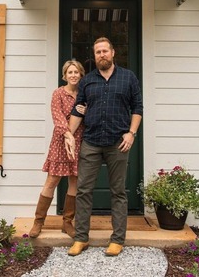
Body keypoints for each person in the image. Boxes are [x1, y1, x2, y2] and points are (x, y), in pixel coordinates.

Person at [64, 37, 143, 257]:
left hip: (118, 143)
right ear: (95, 55)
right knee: (83, 191)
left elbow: (137, 107)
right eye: (98, 52)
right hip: (91, 142)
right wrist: (68, 135)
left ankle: (117, 239)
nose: (102, 55)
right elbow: (79, 110)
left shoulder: (128, 78)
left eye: (105, 51)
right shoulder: (87, 81)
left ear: (113, 52)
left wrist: (132, 133)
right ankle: (81, 238)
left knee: (118, 192)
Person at [29, 60, 86, 238]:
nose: (73, 75)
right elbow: (58, 117)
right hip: (61, 142)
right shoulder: (58, 93)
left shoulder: (84, 94)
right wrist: (68, 135)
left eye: (76, 72)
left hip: (80, 141)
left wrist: (85, 111)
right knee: (52, 181)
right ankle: (38, 222)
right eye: (70, 72)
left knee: (74, 181)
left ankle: (67, 222)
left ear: (81, 74)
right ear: (65, 75)